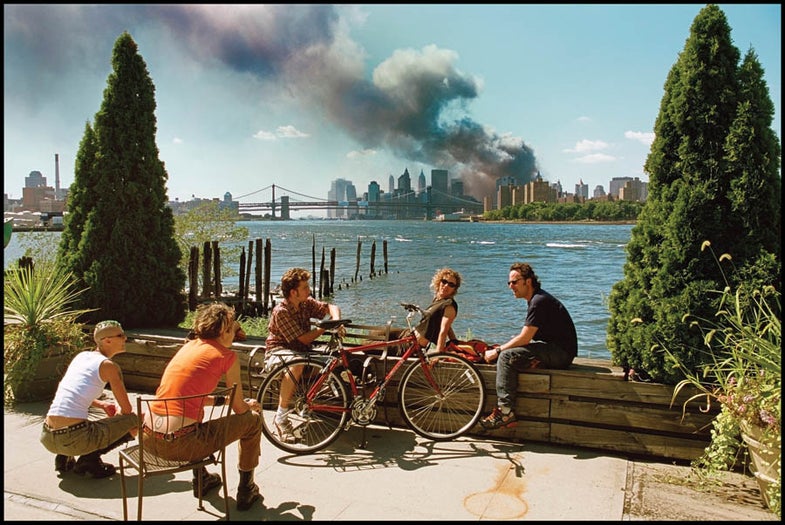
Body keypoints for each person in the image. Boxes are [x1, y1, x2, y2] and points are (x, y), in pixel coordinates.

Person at [147, 302, 263, 511]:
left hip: (149, 438)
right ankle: (247, 489)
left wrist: (225, 400)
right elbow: (240, 409)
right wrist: (247, 406)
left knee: (196, 422)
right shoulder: (227, 357)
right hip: (181, 445)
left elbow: (190, 398)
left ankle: (202, 478)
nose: (234, 333)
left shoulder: (188, 346)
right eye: (232, 328)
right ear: (222, 330)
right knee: (252, 422)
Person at [480, 262, 578, 430]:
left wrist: (497, 351)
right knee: (511, 351)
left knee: (505, 356)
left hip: (560, 353)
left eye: (515, 282)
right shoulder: (537, 299)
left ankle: (505, 412)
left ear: (528, 281)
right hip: (558, 350)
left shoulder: (538, 301)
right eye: (509, 283)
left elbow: (525, 338)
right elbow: (529, 336)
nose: (511, 286)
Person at [40, 320, 139, 479]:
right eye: (121, 335)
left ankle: (63, 456)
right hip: (74, 438)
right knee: (135, 420)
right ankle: (89, 460)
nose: (125, 338)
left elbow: (68, 389)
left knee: (83, 422)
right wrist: (119, 414)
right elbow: (126, 411)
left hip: (47, 436)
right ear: (107, 340)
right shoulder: (109, 366)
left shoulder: (82, 356)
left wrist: (101, 404)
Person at [265, 267, 342, 442]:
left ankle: (314, 404)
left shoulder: (306, 303)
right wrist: (324, 327)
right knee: (296, 364)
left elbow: (331, 307)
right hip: (279, 351)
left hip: (301, 352)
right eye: (305, 288)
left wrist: (335, 320)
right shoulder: (281, 312)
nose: (309, 290)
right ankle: (281, 418)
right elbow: (302, 340)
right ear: (293, 292)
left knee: (334, 361)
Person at [412, 267, 461, 352]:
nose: (446, 286)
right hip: (408, 336)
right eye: (444, 281)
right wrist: (454, 342)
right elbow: (447, 326)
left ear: (454, 289)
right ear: (439, 282)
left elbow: (444, 331)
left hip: (412, 346)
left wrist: (438, 354)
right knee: (381, 333)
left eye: (451, 285)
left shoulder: (449, 305)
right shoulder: (438, 300)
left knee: (381, 342)